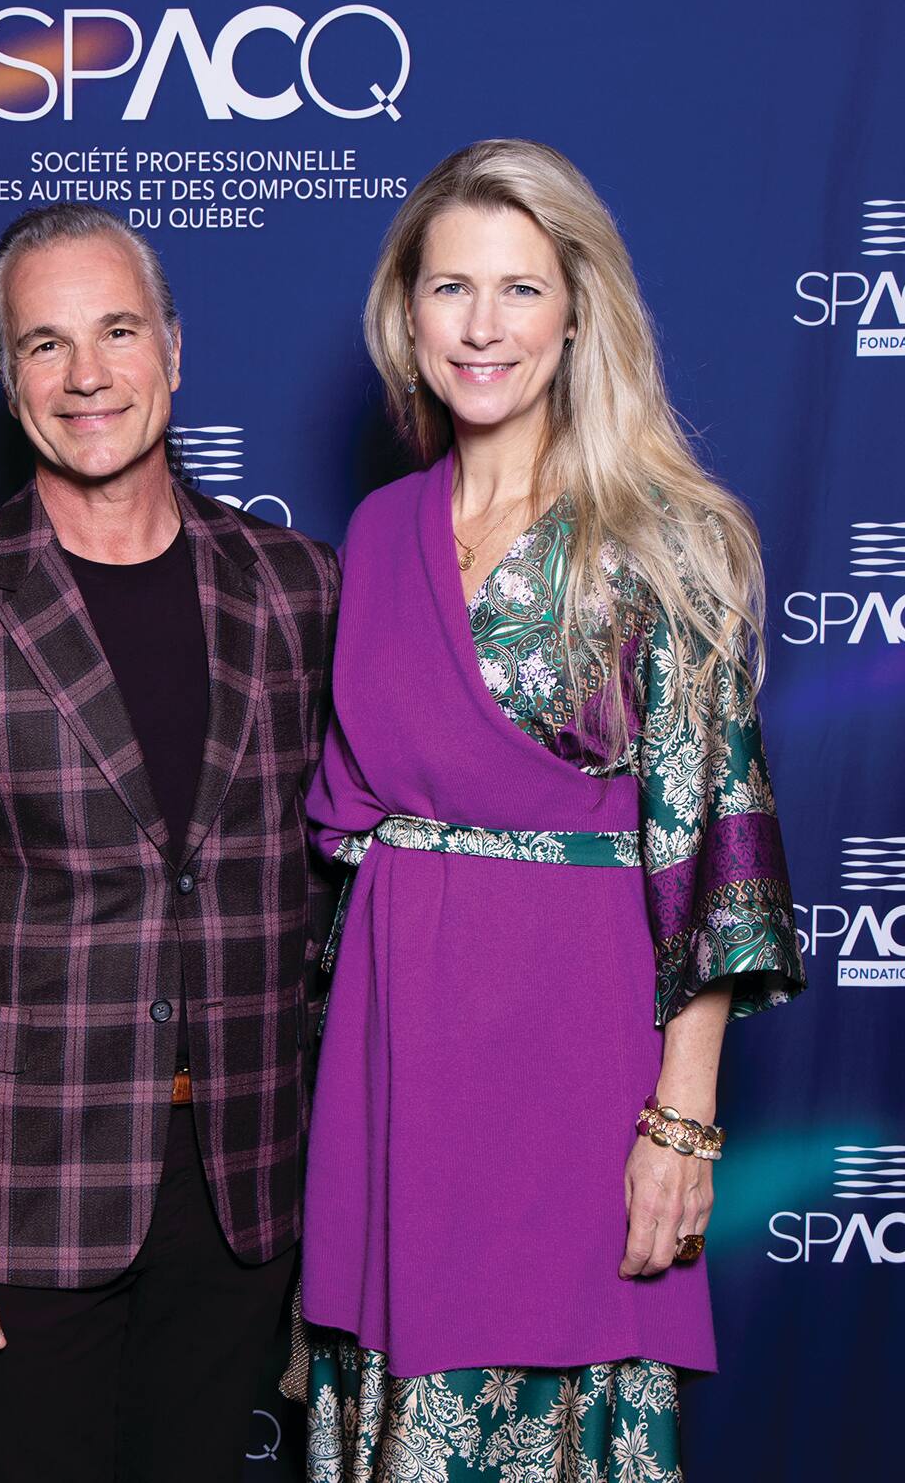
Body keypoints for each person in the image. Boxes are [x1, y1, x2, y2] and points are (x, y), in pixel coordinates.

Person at [298, 140, 806, 1482]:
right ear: (407, 315)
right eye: (450, 288)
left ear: (577, 315)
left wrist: (679, 1125)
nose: (482, 327)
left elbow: (713, 838)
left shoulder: (656, 534)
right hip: (392, 1047)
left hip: (574, 1056)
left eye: (520, 290)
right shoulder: (378, 530)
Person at [0, 202, 339, 1482]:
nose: (87, 376)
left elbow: (339, 886)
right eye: (46, 344)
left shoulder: (300, 586)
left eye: (117, 332)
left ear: (173, 348)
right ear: (9, 379)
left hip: (244, 1181)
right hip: (25, 1187)